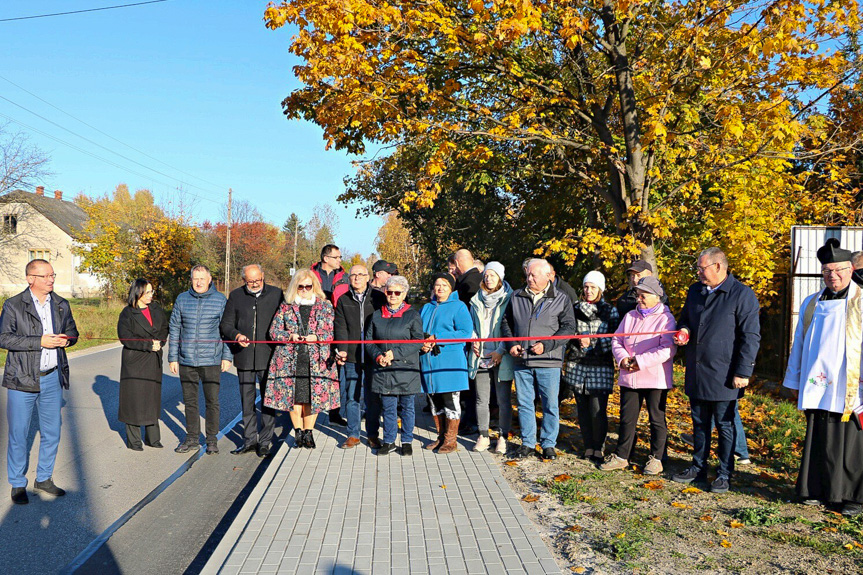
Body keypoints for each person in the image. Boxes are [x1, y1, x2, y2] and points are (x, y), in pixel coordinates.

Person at [783, 238, 863, 516]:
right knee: (818, 436)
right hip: (817, 382)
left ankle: (851, 496)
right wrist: (794, 381)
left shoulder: (861, 302)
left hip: (851, 384)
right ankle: (814, 489)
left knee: (850, 441)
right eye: (828, 271)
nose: (834, 276)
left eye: (839, 269)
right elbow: (800, 344)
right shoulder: (811, 303)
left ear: (851, 269)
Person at [672, 247, 760, 493]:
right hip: (697, 369)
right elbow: (685, 319)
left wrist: (743, 371)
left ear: (719, 267)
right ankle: (698, 467)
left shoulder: (742, 295)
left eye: (702, 268)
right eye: (698, 268)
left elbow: (750, 337)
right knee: (699, 422)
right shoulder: (695, 291)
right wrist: (685, 331)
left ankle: (724, 473)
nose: (699, 273)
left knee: (725, 424)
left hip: (725, 373)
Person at [1, 259, 78, 505]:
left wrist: (68, 340)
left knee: (52, 432)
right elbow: (4, 338)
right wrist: (39, 342)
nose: (51, 280)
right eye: (46, 276)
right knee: (19, 433)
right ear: (30, 278)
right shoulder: (13, 305)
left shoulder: (61, 305)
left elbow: (73, 332)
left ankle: (44, 478)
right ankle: (17, 483)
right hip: (22, 378)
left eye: (52, 275)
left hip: (52, 377)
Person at [501, 259, 576, 460]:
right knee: (525, 403)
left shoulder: (561, 298)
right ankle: (527, 443)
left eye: (533, 275)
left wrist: (547, 344)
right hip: (522, 360)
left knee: (550, 404)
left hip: (548, 361)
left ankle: (548, 444)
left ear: (547, 276)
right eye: (527, 274)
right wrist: (511, 344)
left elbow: (569, 327)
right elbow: (506, 323)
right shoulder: (516, 296)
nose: (529, 278)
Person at [601, 277, 676, 475]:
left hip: (654, 378)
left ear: (656, 296)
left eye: (643, 295)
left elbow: (667, 349)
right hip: (630, 376)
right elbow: (617, 339)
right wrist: (623, 358)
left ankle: (657, 458)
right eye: (638, 295)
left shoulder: (666, 318)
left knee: (656, 418)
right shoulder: (630, 316)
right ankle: (622, 456)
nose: (639, 299)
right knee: (627, 418)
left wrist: (640, 361)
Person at [265, 270, 339, 450]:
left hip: (316, 360)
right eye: (301, 286)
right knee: (294, 397)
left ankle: (309, 432)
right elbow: (273, 332)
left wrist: (317, 337)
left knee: (312, 398)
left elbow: (330, 332)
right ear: (295, 287)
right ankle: (298, 431)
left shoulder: (324, 306)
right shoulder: (286, 306)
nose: (305, 290)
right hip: (290, 359)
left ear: (314, 286)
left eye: (308, 286)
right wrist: (290, 336)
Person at [220, 264, 283, 458]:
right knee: (247, 402)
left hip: (269, 356)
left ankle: (265, 441)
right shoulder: (236, 296)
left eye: (258, 280)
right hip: (245, 357)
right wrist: (237, 335)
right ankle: (249, 440)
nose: (255, 284)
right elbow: (226, 325)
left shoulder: (277, 294)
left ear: (263, 276)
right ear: (243, 280)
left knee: (268, 401)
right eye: (250, 281)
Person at [169, 265, 232, 455]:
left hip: (211, 360)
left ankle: (212, 440)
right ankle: (191, 439)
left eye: (202, 279)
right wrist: (173, 357)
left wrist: (226, 356)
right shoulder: (182, 299)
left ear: (209, 279)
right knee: (190, 402)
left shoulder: (220, 300)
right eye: (195, 278)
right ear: (191, 279)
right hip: (186, 359)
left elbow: (227, 329)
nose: (198, 282)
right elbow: (174, 329)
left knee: (212, 402)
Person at [563, 271, 619, 463]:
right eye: (586, 287)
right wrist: (577, 343)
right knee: (582, 410)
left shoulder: (610, 311)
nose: (589, 291)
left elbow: (615, 340)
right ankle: (588, 446)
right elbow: (567, 333)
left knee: (597, 410)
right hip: (577, 366)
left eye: (593, 287)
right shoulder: (574, 308)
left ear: (600, 289)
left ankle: (599, 447)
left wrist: (593, 343)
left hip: (600, 366)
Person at [366, 276, 424, 456]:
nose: (392, 295)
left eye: (397, 292)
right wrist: (378, 357)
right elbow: (368, 341)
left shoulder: (412, 315)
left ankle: (407, 440)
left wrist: (394, 354)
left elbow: (418, 341)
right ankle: (389, 440)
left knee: (407, 406)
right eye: (389, 292)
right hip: (383, 369)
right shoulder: (376, 315)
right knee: (388, 407)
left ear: (404, 294)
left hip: (405, 367)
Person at [420, 272, 473, 454]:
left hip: (449, 361)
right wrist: (422, 344)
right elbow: (419, 331)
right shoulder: (426, 307)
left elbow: (465, 333)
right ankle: (441, 436)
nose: (440, 288)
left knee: (450, 400)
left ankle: (451, 440)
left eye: (444, 285)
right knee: (434, 401)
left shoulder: (459, 307)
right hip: (428, 362)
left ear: (451, 288)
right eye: (437, 285)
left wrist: (439, 338)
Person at [468, 262, 515, 453]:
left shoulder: (509, 299)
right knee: (481, 398)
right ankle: (483, 435)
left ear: (500, 278)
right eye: (486, 275)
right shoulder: (475, 300)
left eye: (493, 275)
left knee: (503, 399)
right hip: (480, 355)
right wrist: (473, 339)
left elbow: (512, 327)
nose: (488, 279)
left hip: (501, 355)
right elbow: (470, 324)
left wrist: (501, 350)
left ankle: (503, 436)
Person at [118, 279, 168, 451]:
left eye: (152, 292)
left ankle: (153, 439)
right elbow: (124, 336)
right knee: (134, 400)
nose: (150, 295)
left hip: (154, 358)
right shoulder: (127, 313)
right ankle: (134, 441)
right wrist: (147, 345)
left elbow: (164, 328)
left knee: (152, 398)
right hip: (135, 360)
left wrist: (160, 342)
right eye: (147, 292)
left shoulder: (156, 309)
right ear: (137, 292)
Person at [334, 264, 380, 449]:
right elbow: (340, 326)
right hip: (352, 356)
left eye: (360, 275)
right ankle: (353, 434)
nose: (357, 278)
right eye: (353, 275)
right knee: (352, 395)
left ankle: (372, 434)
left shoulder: (378, 297)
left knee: (372, 396)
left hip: (373, 355)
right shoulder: (344, 300)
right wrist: (342, 349)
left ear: (368, 277)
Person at [311, 244, 349, 426]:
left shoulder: (344, 278)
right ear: (326, 258)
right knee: (315, 372)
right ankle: (311, 414)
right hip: (314, 330)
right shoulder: (309, 275)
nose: (340, 260)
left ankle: (335, 413)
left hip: (338, 328)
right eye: (337, 257)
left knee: (336, 373)